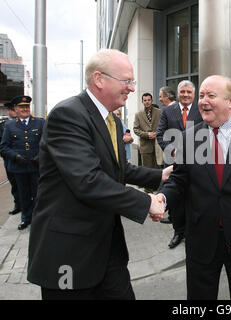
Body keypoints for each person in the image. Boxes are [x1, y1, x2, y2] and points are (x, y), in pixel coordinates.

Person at [27, 49, 171, 300]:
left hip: (108, 249)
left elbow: (118, 169)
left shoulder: (111, 122)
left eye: (132, 82)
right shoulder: (68, 114)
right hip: (69, 253)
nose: (132, 88)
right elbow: (88, 181)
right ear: (99, 79)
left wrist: (160, 177)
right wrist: (146, 202)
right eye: (127, 81)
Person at [158, 75, 231, 300]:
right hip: (201, 240)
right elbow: (179, 181)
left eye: (211, 96)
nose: (203, 101)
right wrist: (162, 199)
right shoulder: (187, 138)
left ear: (230, 102)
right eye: (201, 95)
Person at [156, 81, 203, 249]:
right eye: (182, 92)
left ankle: (192, 232)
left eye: (189, 92)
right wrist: (172, 150)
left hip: (197, 162)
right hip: (173, 163)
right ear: (178, 93)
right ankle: (178, 232)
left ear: (194, 94)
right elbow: (160, 134)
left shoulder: (201, 109)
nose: (185, 95)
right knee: (176, 200)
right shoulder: (168, 111)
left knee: (194, 198)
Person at [0, 96, 44, 230]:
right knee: (23, 194)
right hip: (19, 168)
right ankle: (26, 218)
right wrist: (15, 156)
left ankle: (38, 219)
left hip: (36, 167)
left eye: (27, 107)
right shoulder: (10, 125)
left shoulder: (40, 123)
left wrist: (40, 156)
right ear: (16, 109)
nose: (25, 109)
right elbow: (4, 147)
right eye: (21, 107)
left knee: (38, 195)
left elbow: (47, 142)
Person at [0, 102, 21, 215]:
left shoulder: (25, 123)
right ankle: (18, 204)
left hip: (23, 159)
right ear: (8, 111)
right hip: (10, 160)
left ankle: (28, 206)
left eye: (15, 109)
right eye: (12, 110)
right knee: (14, 183)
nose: (14, 111)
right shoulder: (3, 125)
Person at [133, 93, 162, 170]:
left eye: (149, 100)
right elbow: (135, 129)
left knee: (158, 169)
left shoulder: (160, 112)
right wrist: (147, 134)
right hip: (145, 147)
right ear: (142, 102)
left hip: (158, 146)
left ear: (152, 101)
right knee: (147, 170)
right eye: (145, 100)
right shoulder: (138, 114)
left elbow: (164, 126)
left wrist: (157, 133)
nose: (147, 102)